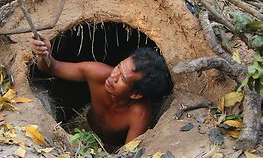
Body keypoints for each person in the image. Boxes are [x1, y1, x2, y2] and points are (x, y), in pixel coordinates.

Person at [30, 33, 173, 146]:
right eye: (118, 66)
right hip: (82, 129)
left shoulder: (139, 113)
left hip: (111, 148)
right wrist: (44, 54)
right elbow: (52, 68)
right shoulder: (97, 73)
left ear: (135, 94)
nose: (113, 76)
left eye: (122, 78)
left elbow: (129, 152)